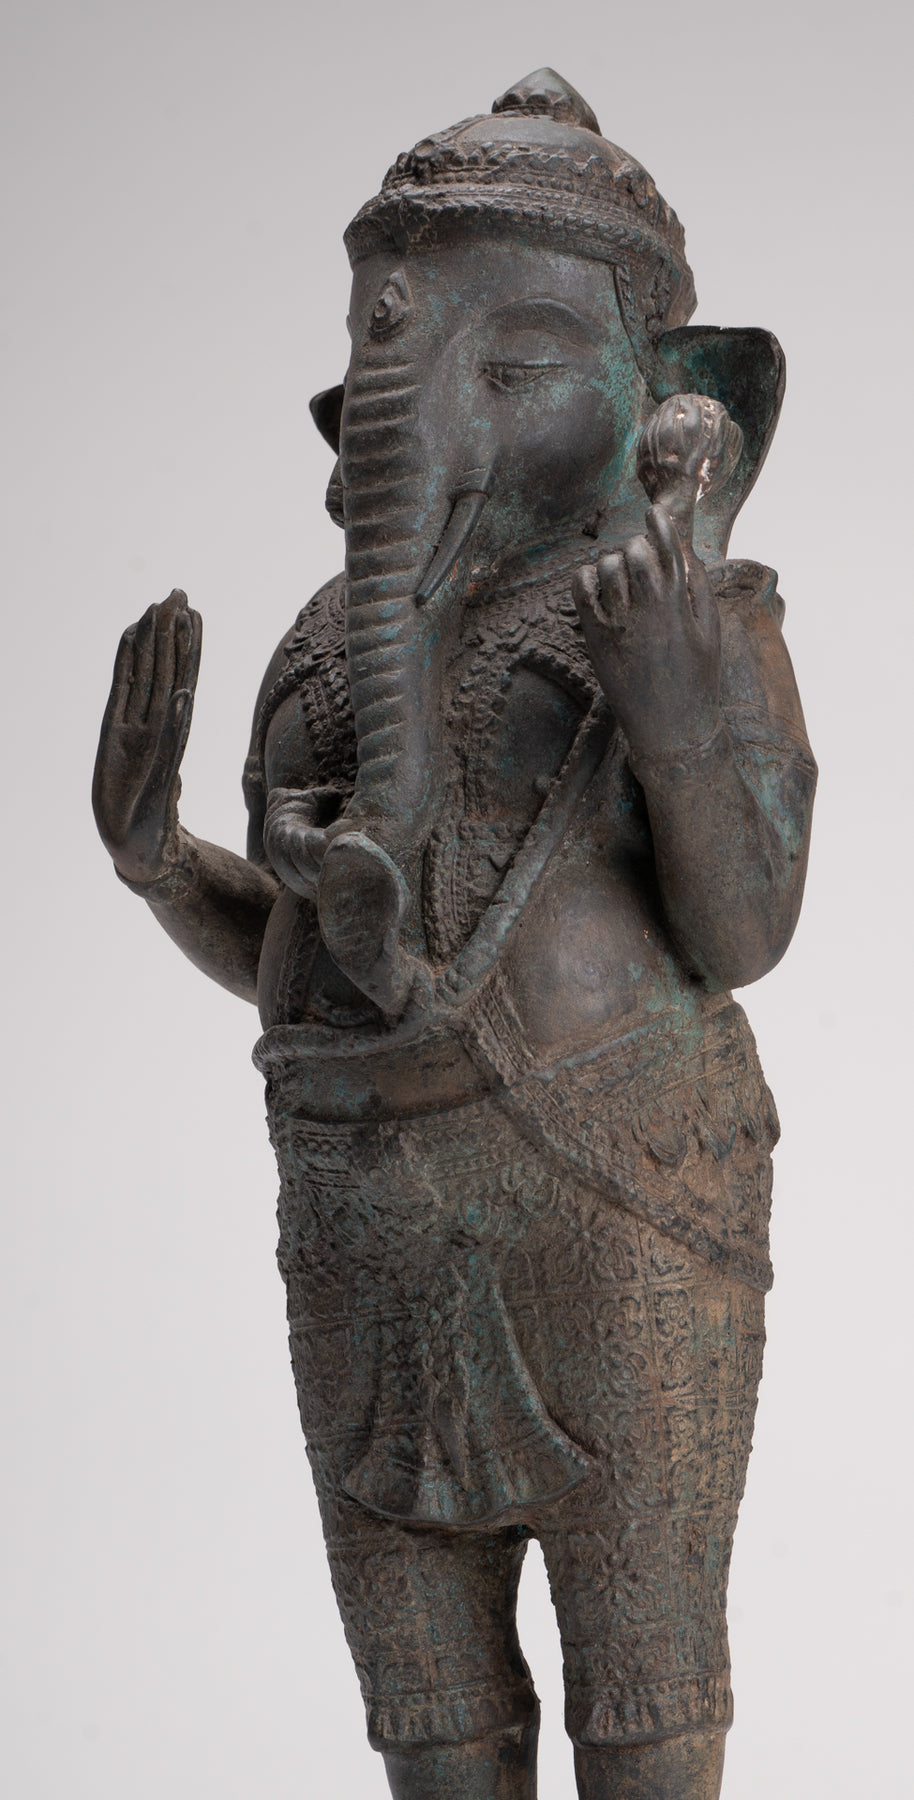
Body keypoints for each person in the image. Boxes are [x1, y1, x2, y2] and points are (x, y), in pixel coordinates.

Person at [93, 69, 816, 1800]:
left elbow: (745, 927)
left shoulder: (681, 606)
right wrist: (162, 864)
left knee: (644, 1695)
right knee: (427, 1716)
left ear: (655, 383)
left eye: (518, 366)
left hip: (617, 1199)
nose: (447, 411)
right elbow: (300, 961)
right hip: (359, 1220)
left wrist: (676, 709)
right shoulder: (324, 649)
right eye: (417, 369)